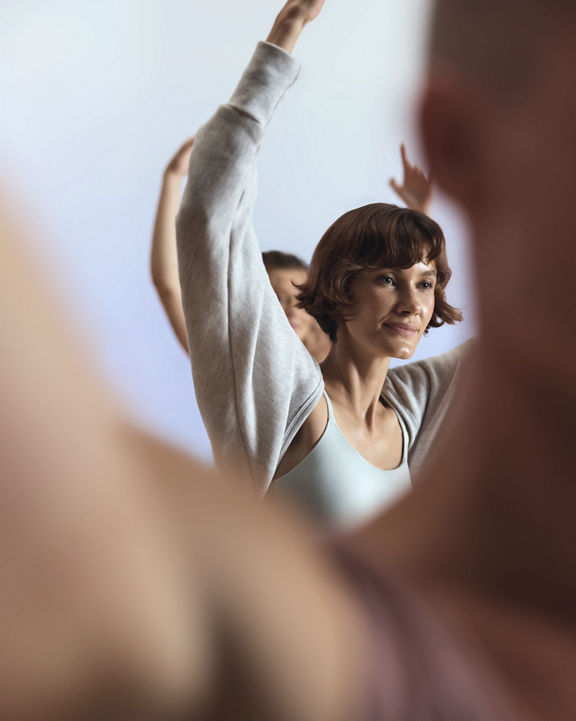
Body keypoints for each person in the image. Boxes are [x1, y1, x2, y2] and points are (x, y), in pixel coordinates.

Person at [176, 0, 465, 528]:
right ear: (339, 287)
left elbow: (536, 323)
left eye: (424, 284)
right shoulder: (288, 401)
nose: (412, 304)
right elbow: (207, 217)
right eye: (386, 280)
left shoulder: (411, 412)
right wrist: (284, 36)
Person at [150, 138, 331, 361]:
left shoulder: (332, 366)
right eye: (279, 300)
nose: (293, 310)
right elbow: (168, 285)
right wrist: (173, 178)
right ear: (248, 304)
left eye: (302, 301)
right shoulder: (231, 363)